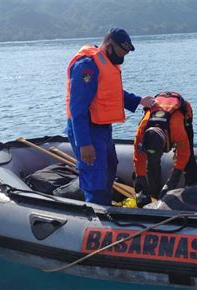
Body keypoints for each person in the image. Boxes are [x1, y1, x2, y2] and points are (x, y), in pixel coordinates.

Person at [65, 27, 155, 205]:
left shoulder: (105, 64)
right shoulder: (87, 66)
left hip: (103, 129)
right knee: (95, 177)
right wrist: (84, 143)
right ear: (109, 45)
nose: (123, 57)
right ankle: (97, 213)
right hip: (87, 130)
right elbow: (78, 108)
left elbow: (111, 93)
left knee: (111, 166)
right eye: (121, 52)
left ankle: (106, 206)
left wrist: (138, 101)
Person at [133, 91, 197, 207]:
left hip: (181, 113)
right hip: (159, 112)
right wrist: (140, 187)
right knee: (152, 162)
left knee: (189, 155)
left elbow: (184, 154)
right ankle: (155, 193)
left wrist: (171, 183)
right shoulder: (141, 132)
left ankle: (192, 185)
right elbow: (138, 158)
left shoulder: (176, 130)